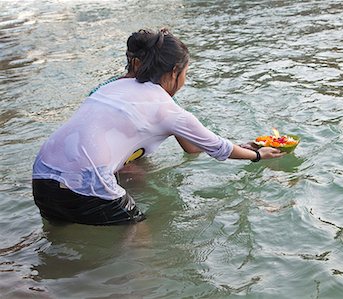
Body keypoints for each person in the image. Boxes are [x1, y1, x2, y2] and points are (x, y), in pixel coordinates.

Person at [32, 28, 284, 225]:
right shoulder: (166, 108)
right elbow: (218, 149)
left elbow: (193, 147)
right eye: (186, 72)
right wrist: (257, 155)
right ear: (175, 71)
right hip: (86, 183)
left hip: (42, 175)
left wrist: (236, 146)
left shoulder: (114, 86)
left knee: (57, 237)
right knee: (140, 234)